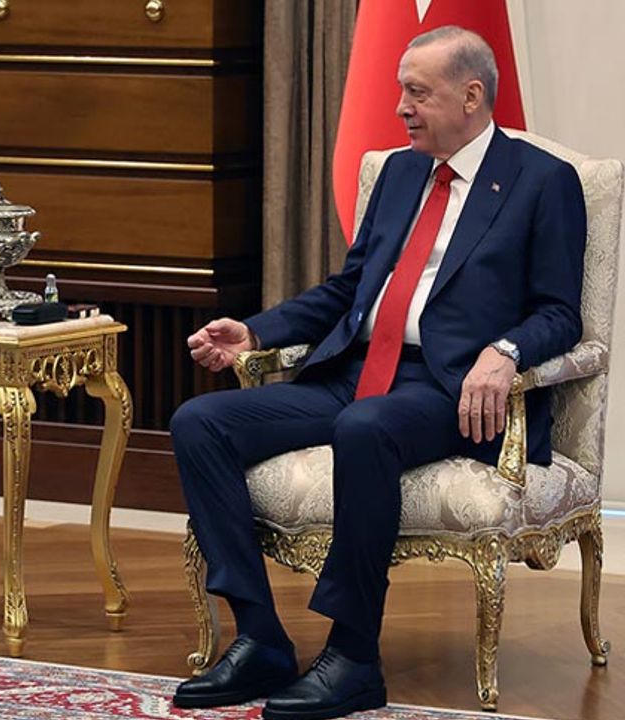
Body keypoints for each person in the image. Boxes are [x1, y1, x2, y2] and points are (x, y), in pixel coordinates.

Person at [169, 26, 585, 720]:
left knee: (365, 427)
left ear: (471, 96)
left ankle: (354, 657)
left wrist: (505, 351)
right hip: (356, 373)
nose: (400, 108)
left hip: (448, 391)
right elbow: (348, 289)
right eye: (400, 91)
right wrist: (258, 331)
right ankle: (261, 638)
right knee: (200, 423)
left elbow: (560, 312)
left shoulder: (542, 181)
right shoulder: (399, 173)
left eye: (417, 92)